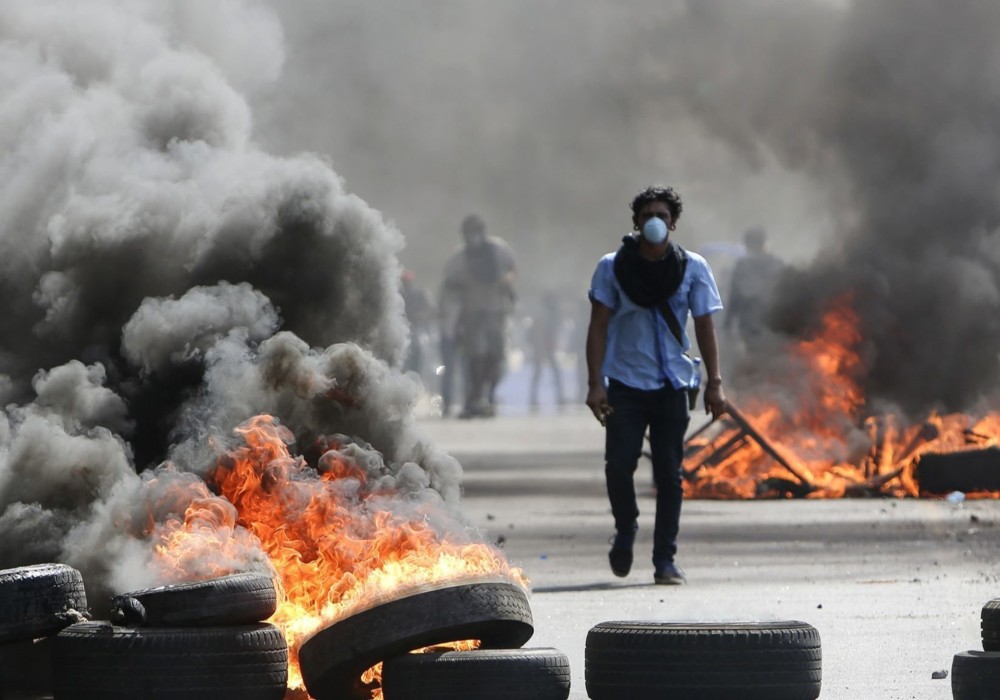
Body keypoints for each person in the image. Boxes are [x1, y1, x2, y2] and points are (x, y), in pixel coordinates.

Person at [585, 185, 727, 585]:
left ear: (673, 222)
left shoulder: (693, 267)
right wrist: (595, 383)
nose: (654, 221)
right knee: (619, 467)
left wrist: (715, 383)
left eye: (662, 215)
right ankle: (626, 528)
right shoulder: (611, 267)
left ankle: (665, 559)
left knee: (670, 475)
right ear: (636, 222)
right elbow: (597, 327)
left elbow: (704, 325)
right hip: (626, 386)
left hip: (672, 386)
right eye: (647, 214)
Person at [440, 214, 516, 418]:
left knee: (495, 357)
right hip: (472, 314)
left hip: (495, 311)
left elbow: (511, 270)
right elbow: (449, 285)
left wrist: (507, 289)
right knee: (474, 359)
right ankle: (474, 399)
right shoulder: (460, 257)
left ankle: (487, 396)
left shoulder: (499, 250)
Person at [723, 227, 784, 354]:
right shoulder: (776, 264)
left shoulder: (743, 265)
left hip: (755, 325)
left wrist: (728, 324)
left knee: (758, 358)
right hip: (768, 325)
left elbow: (734, 298)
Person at [527, 291, 566, 408]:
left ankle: (533, 397)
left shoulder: (541, 314)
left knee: (539, 373)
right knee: (553, 373)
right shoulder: (550, 315)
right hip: (546, 347)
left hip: (541, 347)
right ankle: (559, 397)